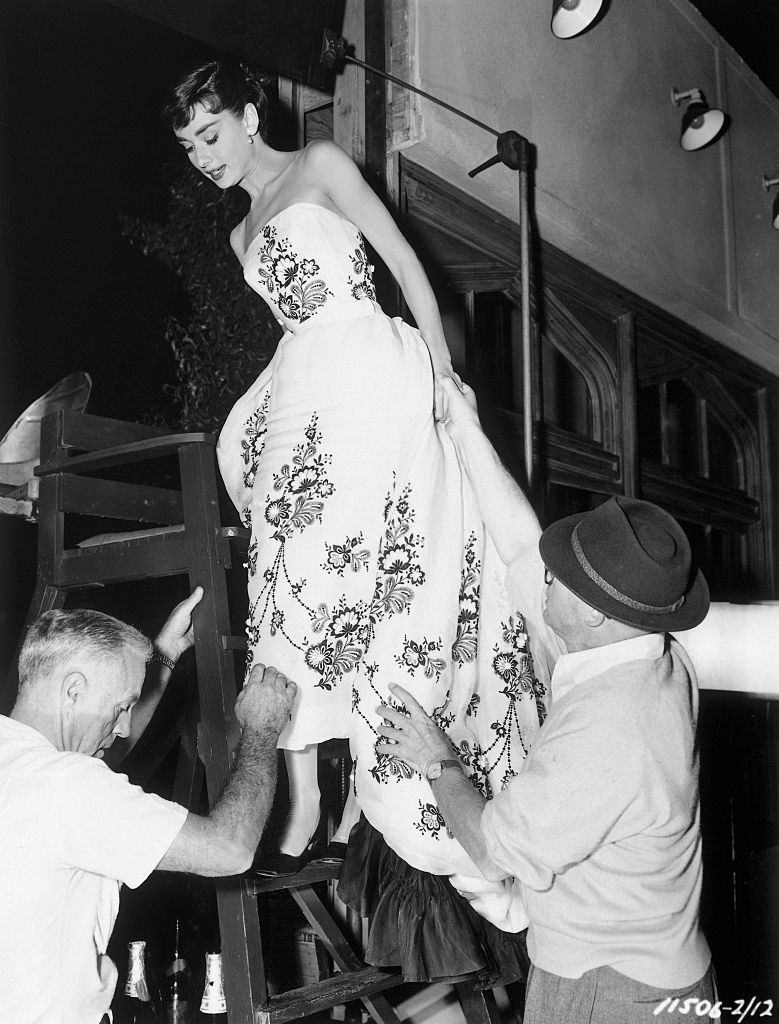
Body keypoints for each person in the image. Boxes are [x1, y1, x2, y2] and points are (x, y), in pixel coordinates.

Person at [164, 54, 546, 973]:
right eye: (188, 147)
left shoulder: (323, 164)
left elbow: (407, 264)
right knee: (286, 566)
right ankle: (302, 784)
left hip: (369, 365)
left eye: (210, 133)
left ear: (252, 114)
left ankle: (372, 781)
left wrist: (445, 376)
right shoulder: (237, 232)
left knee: (370, 559)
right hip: (308, 381)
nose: (202, 157)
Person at [376, 375, 716, 1022]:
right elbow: (517, 549)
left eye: (560, 575)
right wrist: (465, 427)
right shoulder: (645, 651)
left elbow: (496, 849)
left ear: (591, 614)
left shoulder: (614, 729)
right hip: (661, 970)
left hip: (614, 992)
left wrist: (436, 758)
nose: (546, 575)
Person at [0, 589, 296, 1024]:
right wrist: (262, 728)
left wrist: (164, 654)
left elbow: (104, 756)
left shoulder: (20, 761)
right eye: (122, 707)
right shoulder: (65, 785)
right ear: (73, 691)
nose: (123, 728)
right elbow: (230, 849)